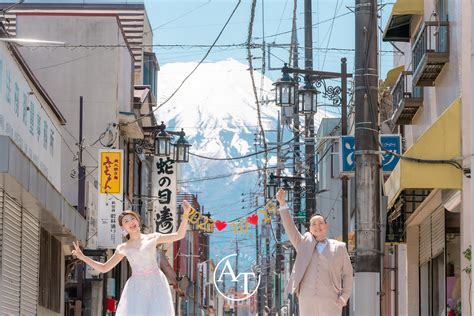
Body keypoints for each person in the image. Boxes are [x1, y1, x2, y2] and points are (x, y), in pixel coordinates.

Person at [71, 200, 192, 315]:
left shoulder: (153, 237)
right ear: (123, 229)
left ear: (138, 221)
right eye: (126, 221)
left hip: (156, 283)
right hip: (136, 286)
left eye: (132, 218)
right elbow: (104, 268)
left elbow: (179, 235)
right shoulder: (123, 248)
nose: (130, 222)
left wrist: (186, 214)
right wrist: (82, 257)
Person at [276, 188, 353, 316]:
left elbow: (348, 274)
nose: (317, 226)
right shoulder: (303, 244)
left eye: (320, 223)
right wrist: (282, 204)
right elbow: (290, 228)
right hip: (306, 298)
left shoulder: (339, 247)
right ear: (310, 228)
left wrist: (344, 297)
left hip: (331, 299)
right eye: (313, 224)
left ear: (326, 225)